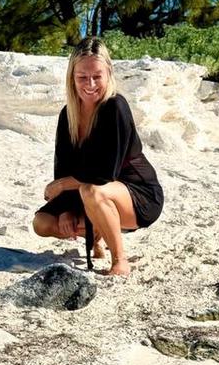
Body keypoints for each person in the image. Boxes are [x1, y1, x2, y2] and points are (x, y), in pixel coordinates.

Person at [33, 37, 164, 276]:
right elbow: (63, 167)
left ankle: (120, 261)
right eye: (82, 77)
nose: (90, 84)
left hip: (138, 194)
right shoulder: (68, 114)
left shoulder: (116, 107)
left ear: (108, 73)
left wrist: (61, 186)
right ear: (72, 77)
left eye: (97, 76)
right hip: (94, 192)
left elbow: (105, 174)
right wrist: (66, 209)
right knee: (42, 223)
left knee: (91, 191)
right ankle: (96, 234)